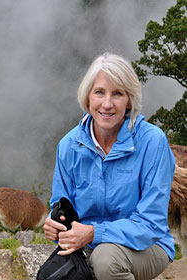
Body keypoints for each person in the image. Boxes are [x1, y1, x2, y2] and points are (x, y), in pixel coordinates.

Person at [43, 53, 175, 280]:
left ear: (129, 101)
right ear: (87, 98)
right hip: (90, 242)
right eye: (99, 92)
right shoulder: (69, 146)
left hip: (149, 244)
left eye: (117, 94)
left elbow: (151, 222)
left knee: (105, 261)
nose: (107, 104)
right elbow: (62, 205)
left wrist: (95, 232)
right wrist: (56, 226)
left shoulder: (152, 142)